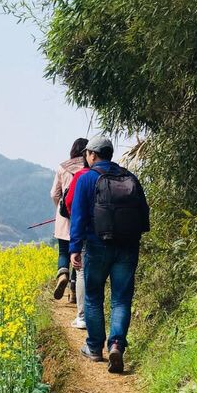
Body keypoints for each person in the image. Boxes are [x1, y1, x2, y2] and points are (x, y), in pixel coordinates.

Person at [69, 136, 150, 373]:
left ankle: (94, 348)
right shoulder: (130, 177)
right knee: (121, 299)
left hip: (97, 245)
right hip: (127, 246)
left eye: (87, 154)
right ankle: (116, 344)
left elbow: (79, 216)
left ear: (92, 155)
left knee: (94, 297)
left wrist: (75, 247)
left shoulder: (87, 179)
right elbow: (144, 213)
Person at [50, 138, 88, 300]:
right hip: (84, 216)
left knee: (64, 251)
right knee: (78, 253)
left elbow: (54, 194)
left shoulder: (62, 168)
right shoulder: (89, 168)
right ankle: (73, 292)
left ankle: (62, 273)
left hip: (64, 217)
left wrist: (60, 208)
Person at [64, 158, 90, 330]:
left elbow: (69, 203)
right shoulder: (120, 175)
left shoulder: (81, 176)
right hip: (116, 236)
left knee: (81, 273)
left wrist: (74, 246)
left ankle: (83, 316)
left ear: (92, 155)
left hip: (87, 232)